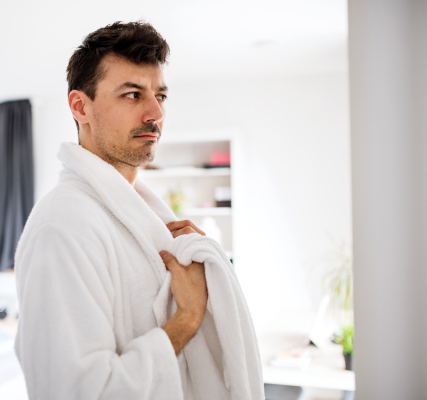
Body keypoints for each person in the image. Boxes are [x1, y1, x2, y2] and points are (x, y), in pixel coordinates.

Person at [14, 21, 263, 400]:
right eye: (132, 95)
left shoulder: (145, 217)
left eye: (160, 96)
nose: (155, 114)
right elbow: (75, 391)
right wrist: (188, 317)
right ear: (81, 106)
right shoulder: (63, 225)